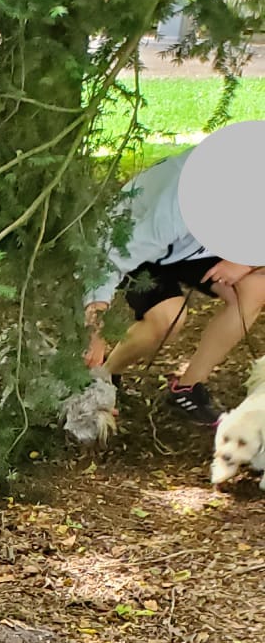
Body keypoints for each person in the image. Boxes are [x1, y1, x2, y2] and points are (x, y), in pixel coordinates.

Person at [83, 144, 265, 429]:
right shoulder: (168, 211)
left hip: (192, 243)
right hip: (140, 249)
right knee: (169, 319)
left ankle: (187, 388)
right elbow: (106, 264)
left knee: (255, 289)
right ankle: (104, 378)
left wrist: (245, 264)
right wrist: (94, 331)